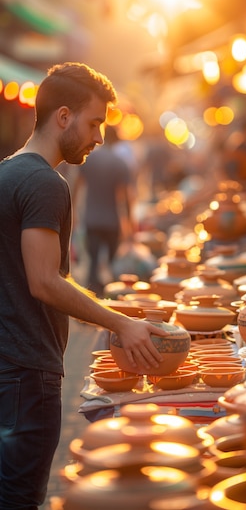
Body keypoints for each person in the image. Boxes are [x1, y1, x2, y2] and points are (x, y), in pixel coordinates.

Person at [0, 62, 166, 510]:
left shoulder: (6, 171)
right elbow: (44, 282)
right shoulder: (43, 182)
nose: (100, 137)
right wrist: (121, 322)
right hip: (26, 375)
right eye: (94, 123)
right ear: (64, 117)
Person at [74, 124, 134, 296]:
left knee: (92, 262)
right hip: (112, 220)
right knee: (112, 263)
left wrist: (73, 215)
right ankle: (111, 297)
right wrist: (128, 224)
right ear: (117, 140)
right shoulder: (120, 163)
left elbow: (77, 187)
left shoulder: (89, 159)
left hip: (91, 218)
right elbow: (125, 198)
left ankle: (91, 299)